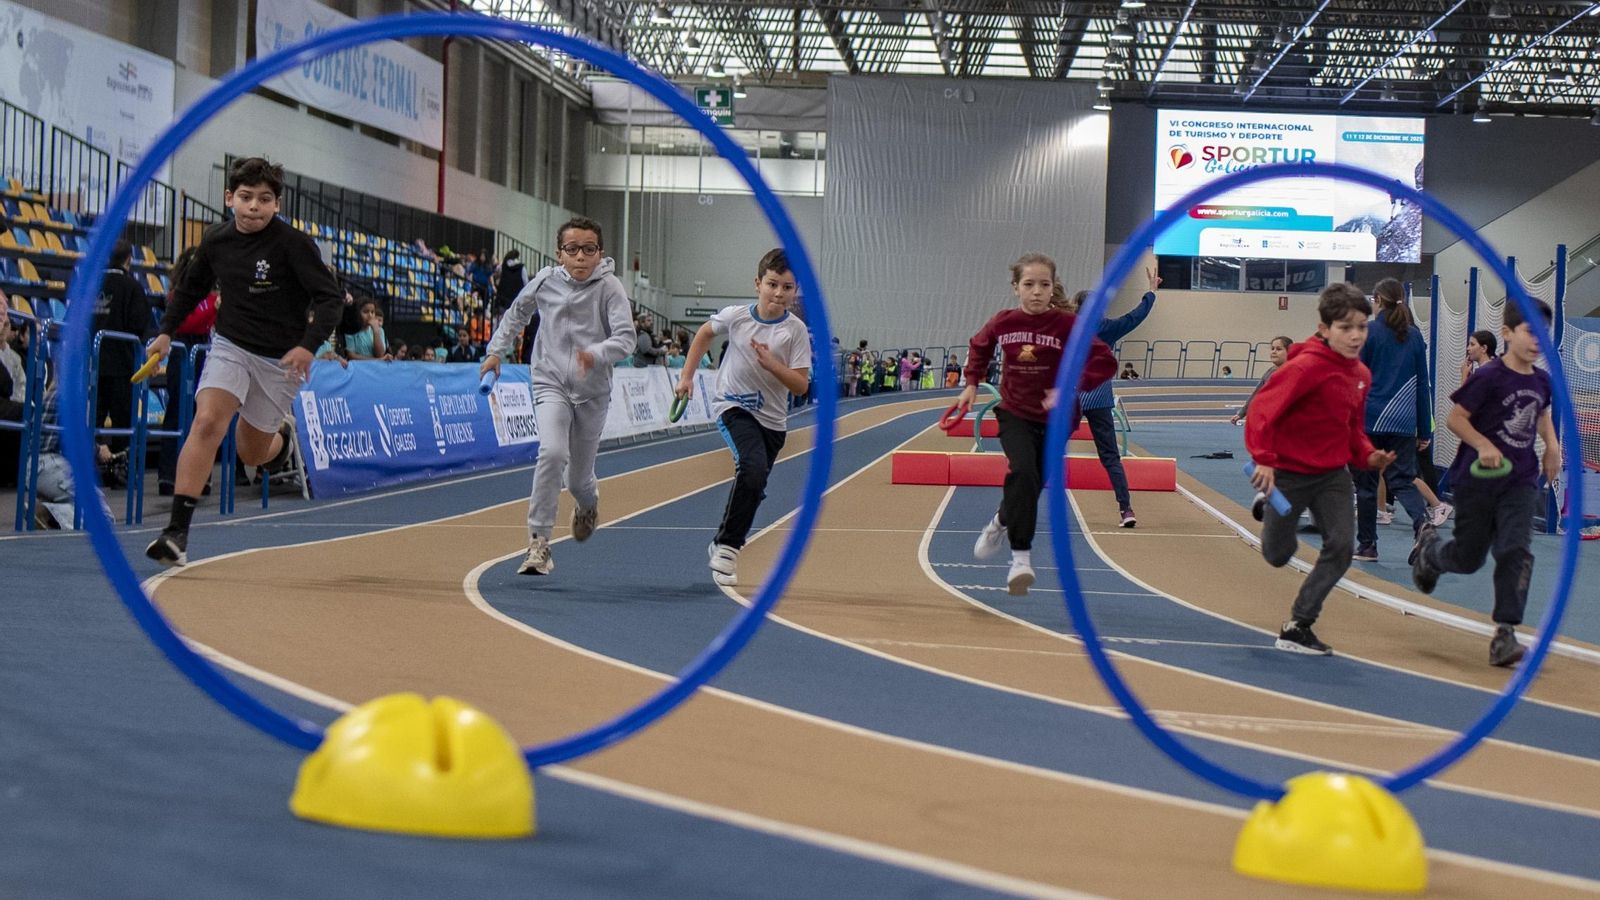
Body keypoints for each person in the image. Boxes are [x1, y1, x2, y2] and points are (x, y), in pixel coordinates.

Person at [144, 157, 342, 566]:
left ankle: (281, 444)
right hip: (231, 346)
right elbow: (189, 288)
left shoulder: (294, 245)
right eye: (246, 197)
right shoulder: (217, 241)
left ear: (278, 204)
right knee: (207, 422)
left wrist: (308, 345)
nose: (254, 206)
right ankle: (176, 532)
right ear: (229, 198)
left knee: (251, 453)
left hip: (280, 360)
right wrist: (166, 332)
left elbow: (330, 299)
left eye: (265, 199)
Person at [480, 216, 635, 576]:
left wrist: (594, 354)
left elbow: (626, 338)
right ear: (559, 253)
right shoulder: (545, 282)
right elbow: (516, 313)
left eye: (589, 249)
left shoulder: (610, 288)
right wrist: (495, 352)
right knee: (551, 453)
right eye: (572, 249)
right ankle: (539, 543)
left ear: (600, 253)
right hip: (550, 382)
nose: (581, 257)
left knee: (578, 481)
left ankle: (588, 505)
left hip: (593, 391)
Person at [1246, 284, 1395, 655]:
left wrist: (1368, 456)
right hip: (1288, 473)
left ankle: (1299, 624)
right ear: (1324, 328)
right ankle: (1274, 504)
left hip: (1332, 475)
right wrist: (1263, 457)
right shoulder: (1304, 367)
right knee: (1277, 556)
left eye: (1362, 326)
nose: (1357, 335)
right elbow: (1262, 411)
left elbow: (1352, 429)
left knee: (1342, 546)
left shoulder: (1360, 373)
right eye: (1346, 327)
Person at [1412, 298, 1559, 667]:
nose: (1537, 340)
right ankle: (1431, 551)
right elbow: (1456, 419)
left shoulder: (1542, 380)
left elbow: (1541, 414)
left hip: (1521, 481)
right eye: (1529, 331)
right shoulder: (1489, 377)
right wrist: (1483, 444)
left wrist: (1552, 447)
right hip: (1476, 483)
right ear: (1508, 334)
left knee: (1516, 550)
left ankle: (1505, 634)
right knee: (1468, 558)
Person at [962, 253, 1118, 596]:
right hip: (1015, 413)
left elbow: (1105, 362)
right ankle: (1020, 559)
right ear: (1016, 288)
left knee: (1031, 488)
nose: (1036, 292)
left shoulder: (1068, 326)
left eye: (1043, 285)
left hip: (1057, 421)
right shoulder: (1004, 322)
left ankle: (1000, 521)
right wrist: (972, 381)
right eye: (1029, 284)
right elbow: (979, 345)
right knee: (1024, 474)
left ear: (1053, 287)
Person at [674, 249, 811, 586]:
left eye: (787, 287)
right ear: (757, 284)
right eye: (772, 284)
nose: (779, 293)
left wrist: (773, 365)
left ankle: (726, 540)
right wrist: (687, 376)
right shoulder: (736, 317)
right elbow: (705, 333)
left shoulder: (794, 331)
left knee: (756, 480)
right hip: (734, 406)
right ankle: (727, 547)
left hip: (773, 421)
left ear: (796, 291)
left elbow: (800, 384)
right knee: (751, 468)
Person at [1065, 268, 1159, 528]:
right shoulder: (1107, 327)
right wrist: (1150, 292)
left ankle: (1019, 506)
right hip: (1100, 398)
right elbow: (1135, 317)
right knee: (1110, 457)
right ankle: (1126, 509)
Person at [1353, 278, 1432, 563]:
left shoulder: (1368, 332)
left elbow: (1356, 377)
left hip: (1370, 420)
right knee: (1403, 480)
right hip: (1403, 420)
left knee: (1366, 486)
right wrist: (1425, 428)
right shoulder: (1414, 336)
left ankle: (1368, 546)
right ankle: (1421, 521)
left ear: (1376, 299)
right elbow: (1424, 385)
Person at [156, 247, 221, 496]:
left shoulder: (211, 294)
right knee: (176, 411)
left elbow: (208, 323)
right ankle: (168, 475)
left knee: (201, 413)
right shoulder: (178, 295)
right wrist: (214, 307)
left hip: (203, 351)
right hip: (183, 351)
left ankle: (200, 477)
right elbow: (187, 322)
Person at [93, 240, 151, 459]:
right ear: (129, 260)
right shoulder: (132, 287)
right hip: (122, 364)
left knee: (93, 419)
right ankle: (119, 468)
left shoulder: (92, 284)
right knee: (122, 422)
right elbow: (139, 326)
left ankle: (89, 467)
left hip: (94, 363)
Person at [1232, 335, 1293, 425]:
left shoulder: (1294, 371)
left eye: (1279, 349)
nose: (1274, 352)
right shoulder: (1270, 372)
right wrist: (1242, 413)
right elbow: (1257, 394)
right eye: (1272, 349)